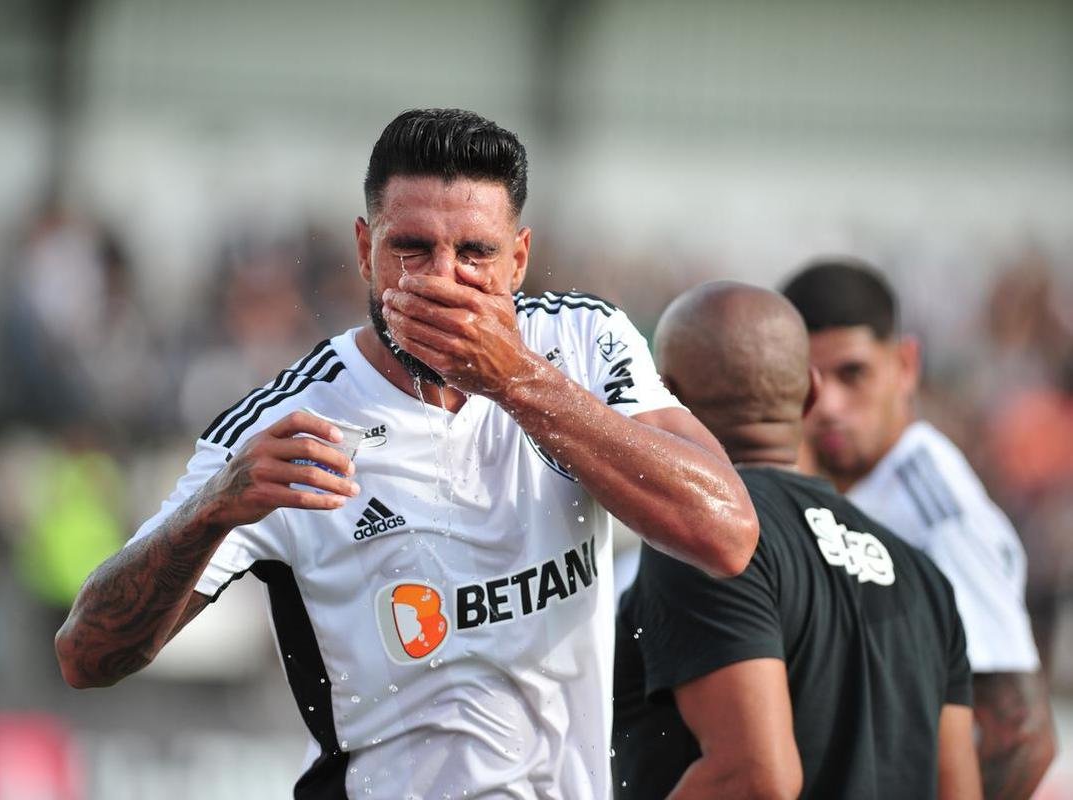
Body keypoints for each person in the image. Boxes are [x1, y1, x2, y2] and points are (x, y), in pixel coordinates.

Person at [55, 108, 759, 798]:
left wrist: (514, 381)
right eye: (411, 248)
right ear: (365, 251)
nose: (442, 279)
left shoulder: (579, 342)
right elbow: (87, 656)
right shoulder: (292, 423)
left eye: (476, 253)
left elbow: (725, 534)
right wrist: (212, 512)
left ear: (518, 259)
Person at [613, 281, 982, 799]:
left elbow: (753, 776)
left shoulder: (704, 543)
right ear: (810, 391)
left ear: (666, 394)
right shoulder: (922, 575)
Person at [782, 258, 1057, 800]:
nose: (829, 406)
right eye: (807, 382)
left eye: (852, 374)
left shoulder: (939, 518)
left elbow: (1021, 738)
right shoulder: (846, 490)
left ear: (905, 365)